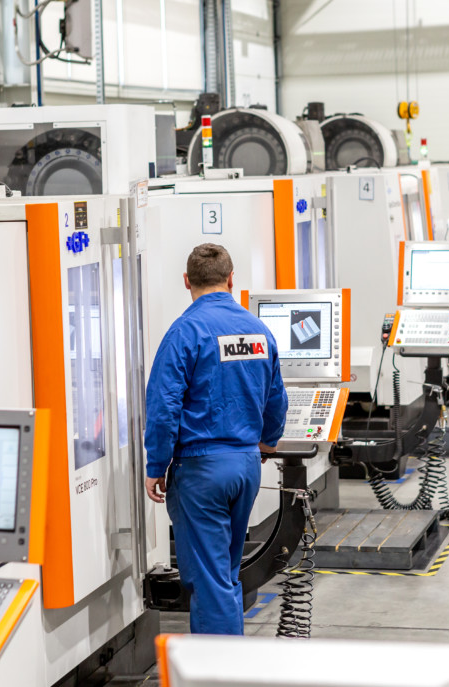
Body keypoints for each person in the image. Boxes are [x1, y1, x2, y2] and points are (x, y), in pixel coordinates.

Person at [144, 243, 288, 635]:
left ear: (186, 281)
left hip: (201, 472)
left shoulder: (184, 332)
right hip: (245, 467)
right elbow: (276, 399)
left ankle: (219, 665)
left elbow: (163, 407)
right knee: (225, 573)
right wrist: (266, 442)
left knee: (210, 582)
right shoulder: (259, 332)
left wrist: (156, 465)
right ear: (231, 279)